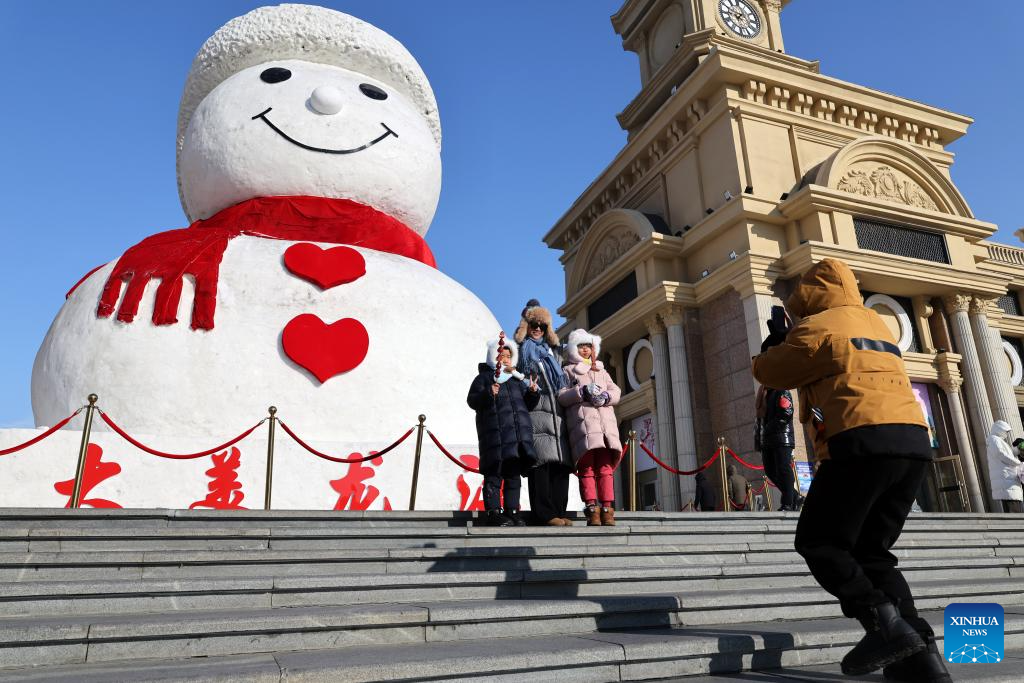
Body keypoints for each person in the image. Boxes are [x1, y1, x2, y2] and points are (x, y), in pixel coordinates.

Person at [752, 258, 946, 681]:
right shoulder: (877, 324)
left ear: (811, 297)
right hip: (913, 442)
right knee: (873, 554)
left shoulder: (817, 326)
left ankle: (882, 624)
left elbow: (770, 372)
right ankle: (923, 663)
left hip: (861, 439)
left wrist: (776, 342)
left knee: (820, 541)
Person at [467, 337, 539, 527]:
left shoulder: (516, 380)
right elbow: (472, 400)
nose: (505, 359)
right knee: (494, 475)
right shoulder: (484, 378)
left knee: (513, 476)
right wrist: (488, 393)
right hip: (495, 437)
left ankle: (512, 510)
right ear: (493, 356)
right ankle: (493, 512)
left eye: (508, 356)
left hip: (516, 439)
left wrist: (532, 393)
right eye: (501, 355)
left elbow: (527, 406)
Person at [514, 300, 574, 526]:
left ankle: (559, 511)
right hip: (536, 414)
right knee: (541, 466)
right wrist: (529, 390)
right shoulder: (521, 351)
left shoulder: (553, 352)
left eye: (542, 325)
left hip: (557, 416)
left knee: (560, 465)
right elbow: (516, 380)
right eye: (533, 325)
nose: (537, 329)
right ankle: (545, 514)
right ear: (526, 326)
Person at [558, 329, 622, 526]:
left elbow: (615, 390)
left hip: (605, 431)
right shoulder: (568, 370)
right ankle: (592, 508)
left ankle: (607, 509)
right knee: (586, 468)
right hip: (583, 429)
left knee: (605, 469)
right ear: (573, 349)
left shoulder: (601, 370)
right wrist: (582, 392)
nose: (585, 350)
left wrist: (606, 397)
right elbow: (561, 396)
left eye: (588, 346)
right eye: (581, 346)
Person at [755, 385, 799, 510]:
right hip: (768, 439)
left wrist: (768, 427)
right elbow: (761, 418)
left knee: (783, 469)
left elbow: (786, 413)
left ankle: (787, 503)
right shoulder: (764, 394)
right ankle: (794, 496)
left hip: (782, 438)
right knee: (770, 470)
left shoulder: (781, 390)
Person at [986, 420, 1023, 513]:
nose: (1007, 433)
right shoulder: (994, 439)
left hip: (1008, 479)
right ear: (1000, 429)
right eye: (1006, 431)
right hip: (1006, 480)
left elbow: (1008, 453)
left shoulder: (998, 440)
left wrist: (1018, 449)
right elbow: (1001, 454)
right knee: (1014, 510)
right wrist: (1017, 462)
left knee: (1014, 507)